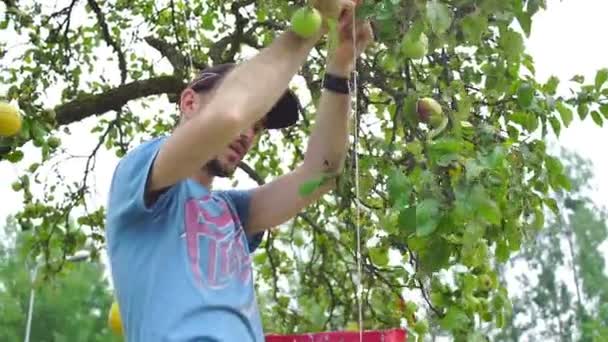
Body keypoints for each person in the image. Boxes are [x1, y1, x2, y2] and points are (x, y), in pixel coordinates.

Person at [104, 0, 374, 341]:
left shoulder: (235, 213)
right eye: (251, 114)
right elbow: (227, 116)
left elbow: (321, 173)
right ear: (189, 102)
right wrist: (315, 23)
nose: (248, 132)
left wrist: (341, 66)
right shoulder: (139, 173)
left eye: (258, 126)